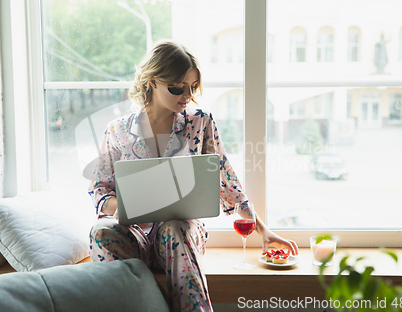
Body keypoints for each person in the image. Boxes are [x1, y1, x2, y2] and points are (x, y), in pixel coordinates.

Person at [88, 40, 299, 312]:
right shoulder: (116, 131)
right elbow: (100, 191)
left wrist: (263, 231)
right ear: (152, 81)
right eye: (178, 87)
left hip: (181, 237)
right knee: (100, 231)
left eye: (192, 87)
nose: (187, 95)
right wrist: (124, 206)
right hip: (135, 238)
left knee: (175, 227)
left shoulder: (200, 121)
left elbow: (226, 179)